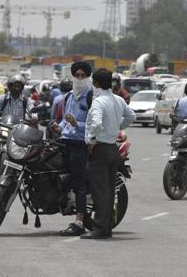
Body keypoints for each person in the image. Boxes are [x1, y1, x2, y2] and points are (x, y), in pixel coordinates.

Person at [82, 68, 135, 239]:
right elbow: (131, 116)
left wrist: (91, 140)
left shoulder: (99, 101)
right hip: (113, 148)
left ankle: (99, 229)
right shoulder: (118, 99)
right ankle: (106, 228)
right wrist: (117, 127)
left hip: (101, 149)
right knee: (109, 191)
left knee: (99, 191)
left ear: (96, 83)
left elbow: (96, 123)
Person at [51, 62, 93, 236]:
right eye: (77, 75)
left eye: (83, 75)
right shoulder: (68, 96)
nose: (80, 78)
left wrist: (77, 124)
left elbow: (94, 124)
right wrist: (58, 126)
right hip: (65, 141)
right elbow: (64, 120)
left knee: (79, 184)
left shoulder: (91, 96)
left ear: (88, 77)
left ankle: (79, 221)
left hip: (80, 144)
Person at [0, 75, 35, 172]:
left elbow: (33, 111)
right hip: (5, 127)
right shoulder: (2, 98)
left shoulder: (26, 100)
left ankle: (28, 168)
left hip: (20, 130)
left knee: (32, 143)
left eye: (19, 86)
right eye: (14, 86)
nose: (16, 89)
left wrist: (34, 118)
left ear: (22, 88)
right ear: (10, 86)